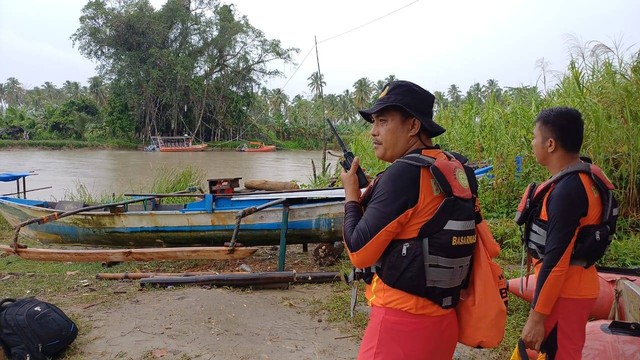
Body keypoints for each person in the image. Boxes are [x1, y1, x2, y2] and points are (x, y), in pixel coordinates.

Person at [341, 80, 478, 360]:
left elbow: (358, 251)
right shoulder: (456, 168)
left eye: (383, 121)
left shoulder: (403, 175)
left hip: (399, 325)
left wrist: (352, 195)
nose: (373, 131)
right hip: (443, 321)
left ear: (413, 127)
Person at [518, 107, 614, 359]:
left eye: (534, 136)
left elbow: (557, 259)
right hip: (571, 289)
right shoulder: (583, 178)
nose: (532, 142)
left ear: (550, 144)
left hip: (565, 293)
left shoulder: (568, 190)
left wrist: (537, 317)